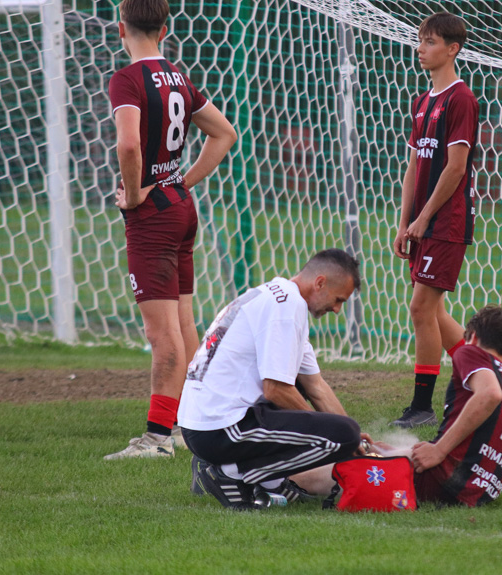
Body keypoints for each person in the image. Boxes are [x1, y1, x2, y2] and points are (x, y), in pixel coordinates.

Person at [295, 305, 502, 508]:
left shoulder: (471, 353)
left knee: (312, 472)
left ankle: (264, 487)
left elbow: (488, 395)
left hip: (439, 480)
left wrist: (439, 450)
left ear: (472, 337)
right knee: (376, 450)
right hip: (476, 496)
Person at [104, 0, 237, 459]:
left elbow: (128, 143)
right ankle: (190, 424)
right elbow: (224, 134)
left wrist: (138, 192)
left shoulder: (126, 79)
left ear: (121, 27)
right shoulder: (178, 76)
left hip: (154, 219)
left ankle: (159, 437)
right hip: (181, 207)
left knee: (162, 334)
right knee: (183, 324)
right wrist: (180, 181)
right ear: (165, 30)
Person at [178, 249, 368, 510]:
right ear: (320, 282)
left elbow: (316, 386)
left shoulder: (279, 296)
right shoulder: (287, 308)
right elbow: (275, 390)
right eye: (338, 300)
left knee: (345, 430)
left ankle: (268, 483)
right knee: (341, 436)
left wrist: (355, 436)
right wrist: (333, 432)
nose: (336, 310)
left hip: (206, 421)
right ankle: (231, 473)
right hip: (218, 427)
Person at [390, 12, 480, 428]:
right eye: (419, 41)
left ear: (452, 49)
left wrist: (425, 218)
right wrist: (404, 220)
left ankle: (423, 406)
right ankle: (483, 378)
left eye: (428, 42)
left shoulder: (461, 99)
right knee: (434, 312)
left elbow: (455, 168)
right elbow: (413, 167)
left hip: (446, 223)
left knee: (421, 307)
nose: (419, 48)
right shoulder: (423, 101)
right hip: (423, 223)